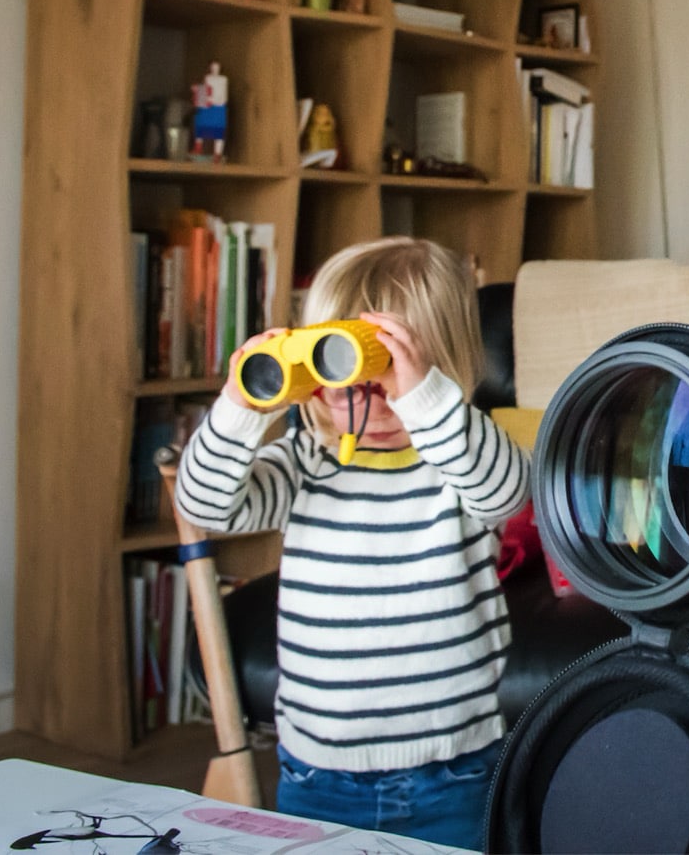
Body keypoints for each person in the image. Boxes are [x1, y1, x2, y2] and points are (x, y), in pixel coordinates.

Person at [174, 237, 528, 848]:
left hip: (456, 772)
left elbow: (506, 493)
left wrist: (423, 400)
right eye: (335, 364)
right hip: (317, 774)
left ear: (439, 370)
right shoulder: (306, 463)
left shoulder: (460, 463)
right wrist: (242, 403)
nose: (360, 391)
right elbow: (204, 505)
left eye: (383, 370)